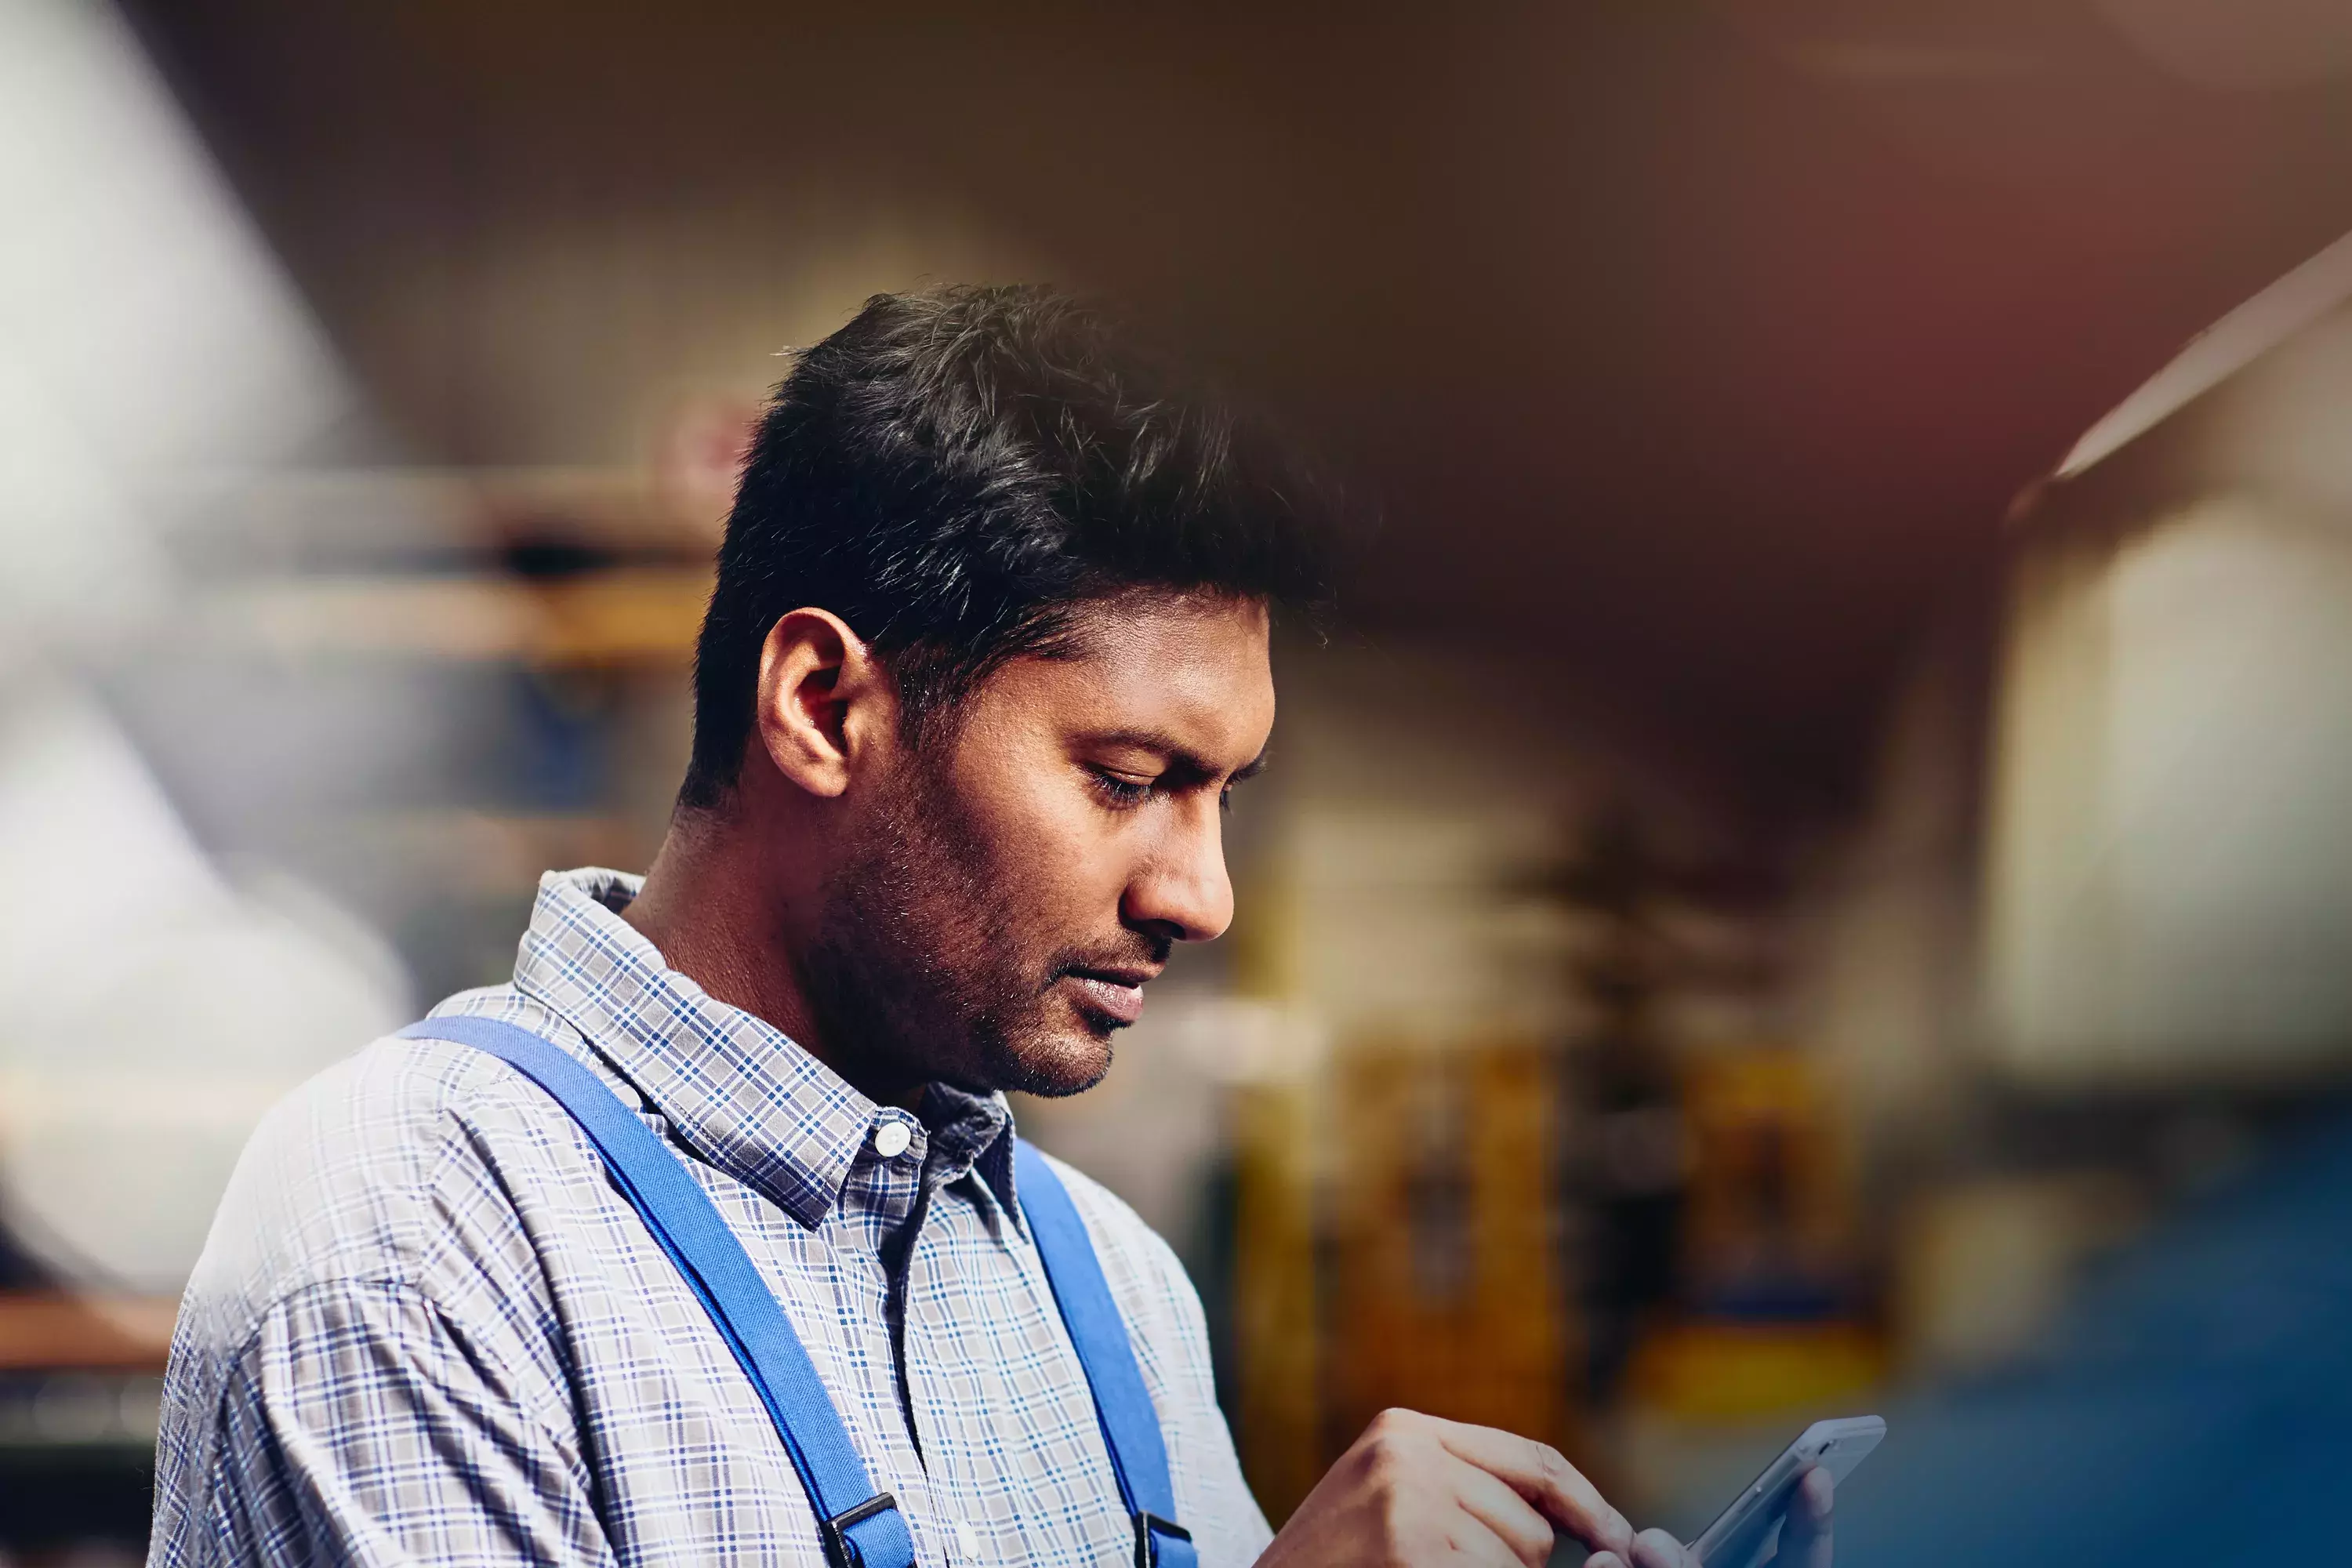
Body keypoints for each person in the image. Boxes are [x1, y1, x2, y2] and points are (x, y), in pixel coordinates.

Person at [150, 285, 1834, 1568]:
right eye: (1129, 777)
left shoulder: (1105, 1287)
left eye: (1222, 793)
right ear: (823, 704)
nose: (1202, 895)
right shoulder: (415, 1241)